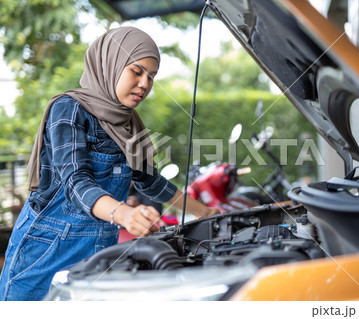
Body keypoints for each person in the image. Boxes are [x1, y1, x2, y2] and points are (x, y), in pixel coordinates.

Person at [0, 26, 219, 301]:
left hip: (99, 246)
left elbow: (149, 180)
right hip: (46, 247)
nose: (145, 84)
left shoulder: (128, 122)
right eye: (136, 72)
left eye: (151, 77)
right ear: (110, 63)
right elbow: (75, 183)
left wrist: (205, 213)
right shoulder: (68, 109)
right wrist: (125, 214)